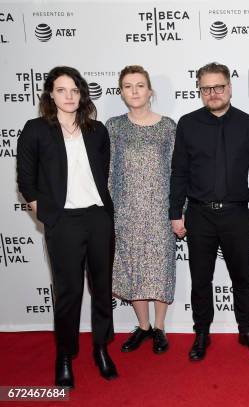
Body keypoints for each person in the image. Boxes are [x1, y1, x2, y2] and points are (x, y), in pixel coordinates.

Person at [16, 66, 117, 388]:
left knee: (101, 289)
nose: (69, 96)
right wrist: (46, 214)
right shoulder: (35, 130)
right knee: (68, 292)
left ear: (82, 94)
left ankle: (101, 348)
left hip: (98, 217)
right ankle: (65, 355)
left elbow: (102, 171)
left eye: (74, 90)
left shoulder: (97, 130)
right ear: (50, 94)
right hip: (64, 222)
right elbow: (26, 181)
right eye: (61, 90)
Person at [169, 62, 249, 361]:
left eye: (219, 87)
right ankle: (201, 334)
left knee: (243, 278)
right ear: (199, 90)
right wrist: (176, 212)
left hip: (238, 214)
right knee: (201, 279)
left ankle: (247, 330)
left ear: (229, 87)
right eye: (206, 88)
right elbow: (179, 172)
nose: (213, 93)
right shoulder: (187, 124)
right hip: (199, 216)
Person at [107, 65, 176, 355]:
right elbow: (107, 171)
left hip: (161, 210)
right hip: (125, 210)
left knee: (160, 269)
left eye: (139, 85)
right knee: (133, 268)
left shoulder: (169, 127)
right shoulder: (113, 126)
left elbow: (178, 172)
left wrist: (178, 211)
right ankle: (143, 326)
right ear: (121, 92)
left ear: (150, 91)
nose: (134, 91)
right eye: (128, 86)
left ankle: (160, 328)